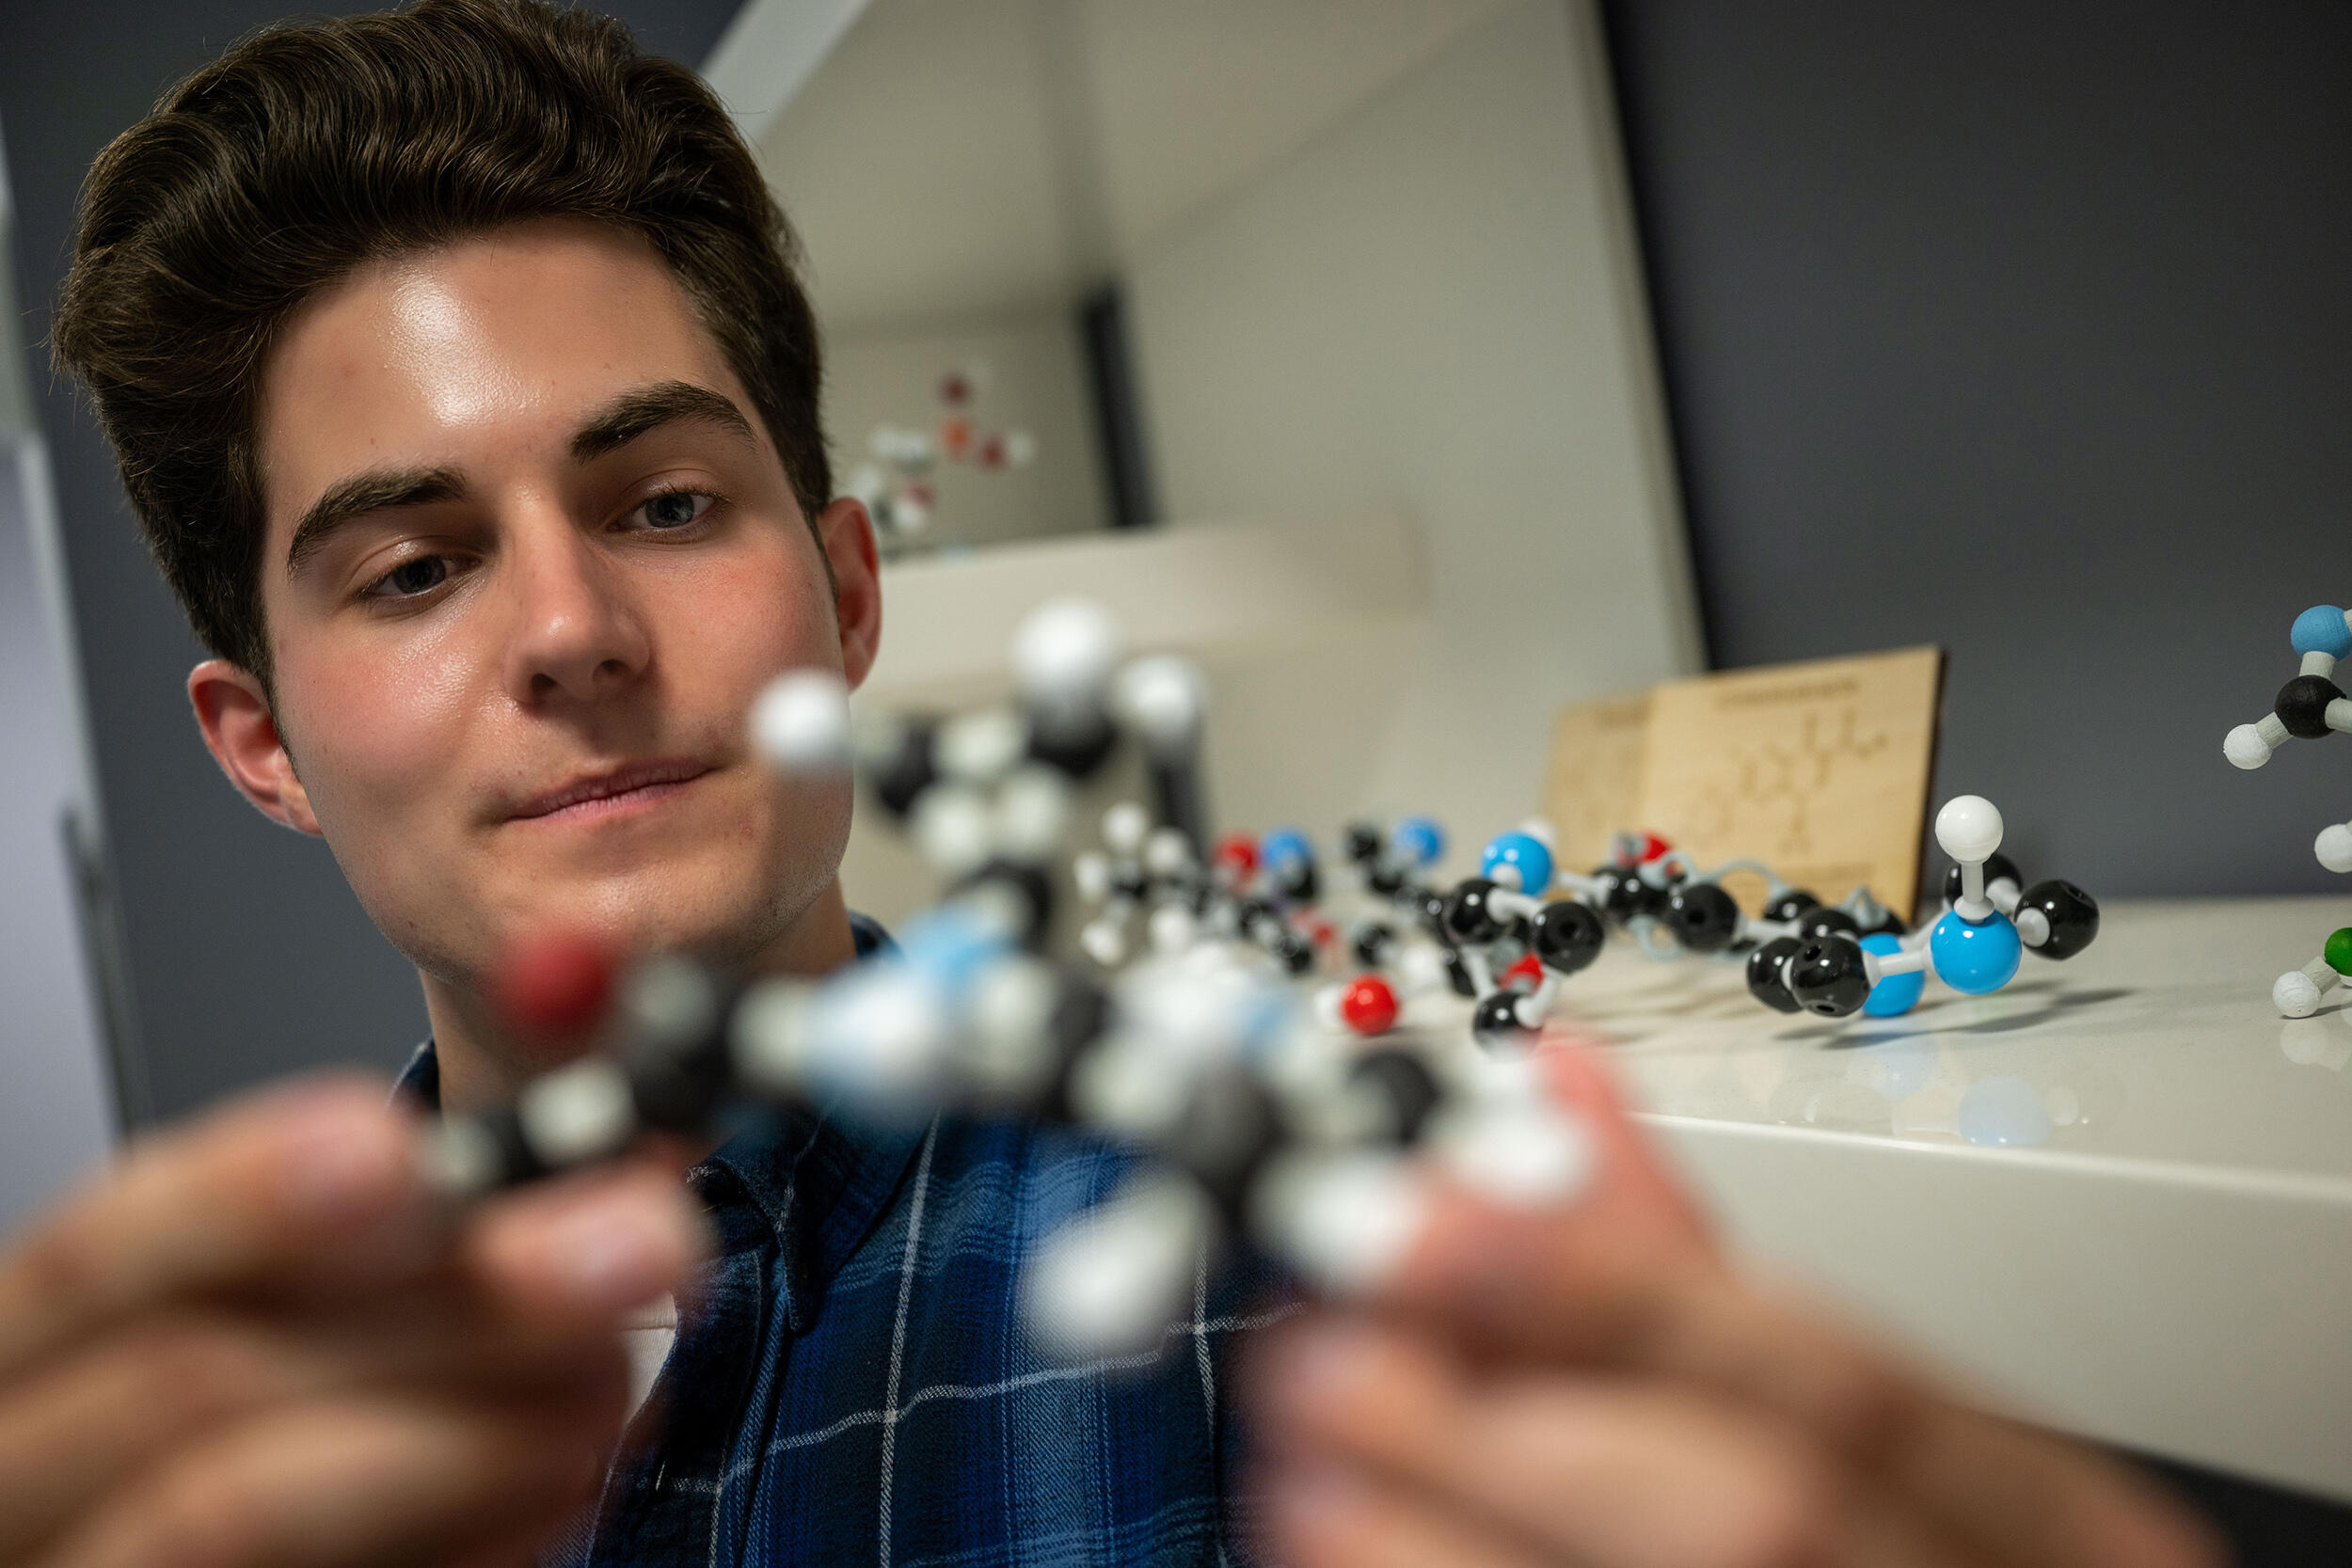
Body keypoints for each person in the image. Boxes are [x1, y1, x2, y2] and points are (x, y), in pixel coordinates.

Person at [4, 1, 2223, 1563]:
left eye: (665, 504)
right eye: (413, 566)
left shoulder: (1291, 1260)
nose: (572, 627)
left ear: (843, 596)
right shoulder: (224, 1461)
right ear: (264, 745)